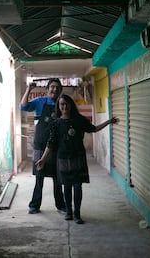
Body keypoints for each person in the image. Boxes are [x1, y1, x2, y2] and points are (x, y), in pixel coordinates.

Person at [36, 94, 118, 224]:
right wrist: (43, 159)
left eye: (66, 103)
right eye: (61, 104)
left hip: (78, 157)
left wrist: (108, 121)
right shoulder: (55, 123)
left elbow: (94, 129)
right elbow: (50, 143)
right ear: (59, 106)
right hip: (62, 159)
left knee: (77, 186)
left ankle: (77, 214)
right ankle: (69, 212)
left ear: (71, 105)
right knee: (67, 187)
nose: (64, 106)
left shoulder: (79, 120)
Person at [19, 78, 66, 214]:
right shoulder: (40, 101)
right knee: (39, 176)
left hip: (57, 145)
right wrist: (29, 89)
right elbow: (23, 106)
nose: (55, 89)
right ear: (47, 89)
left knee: (58, 177)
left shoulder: (62, 104)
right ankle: (35, 205)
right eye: (52, 87)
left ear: (60, 90)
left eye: (57, 87)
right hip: (40, 145)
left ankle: (61, 206)